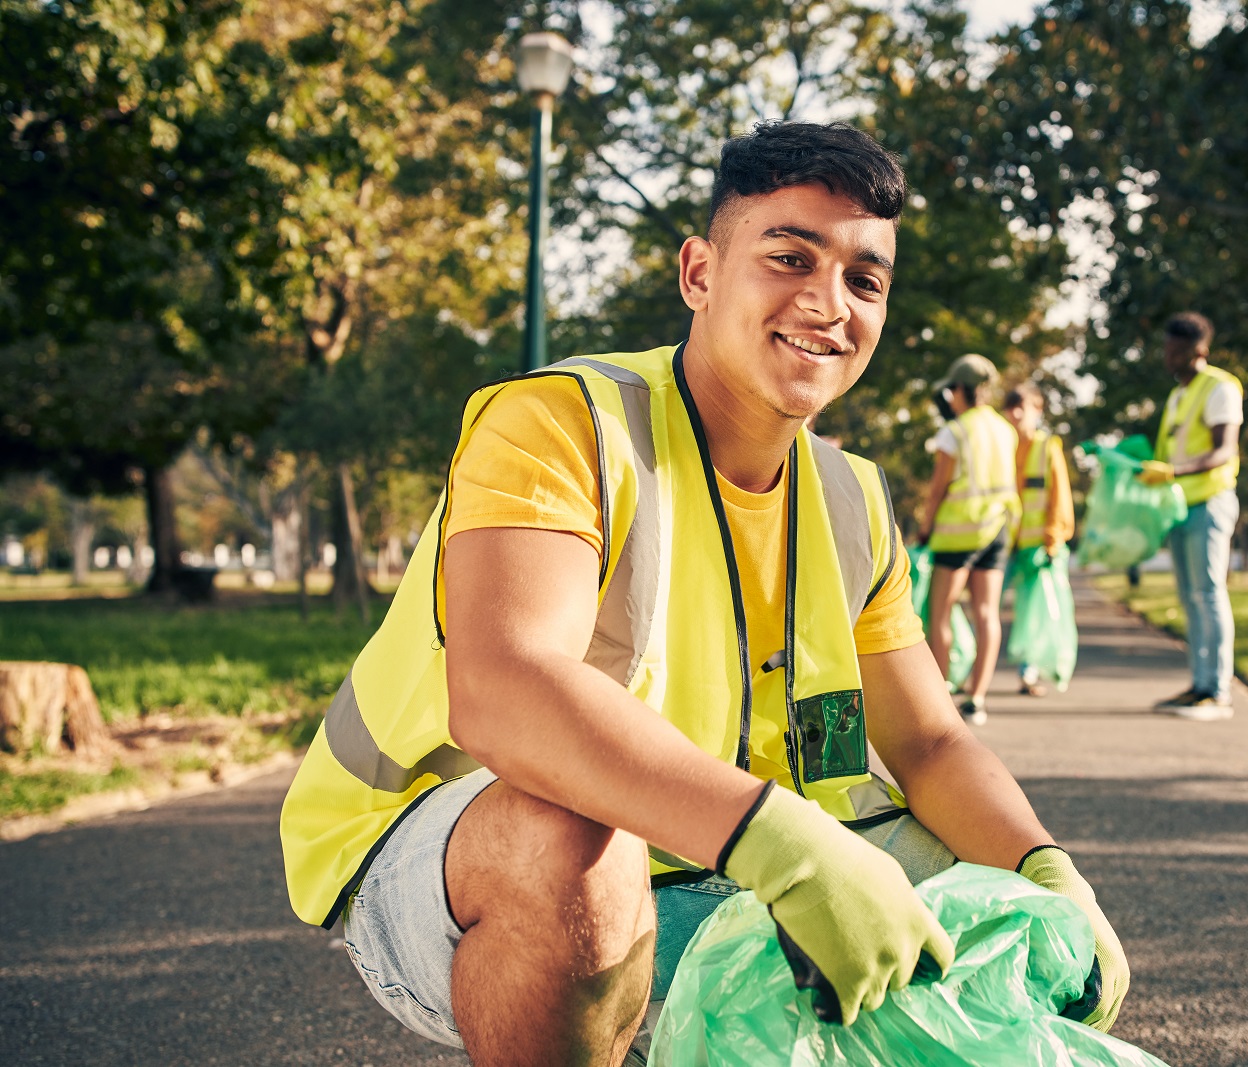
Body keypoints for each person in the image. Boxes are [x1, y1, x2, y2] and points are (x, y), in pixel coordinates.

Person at [278, 121, 1129, 1066]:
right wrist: (789, 847)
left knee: (1008, 940)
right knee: (572, 841)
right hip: (449, 856)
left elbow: (929, 742)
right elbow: (506, 686)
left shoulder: (852, 497)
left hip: (718, 860)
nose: (827, 302)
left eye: (864, 278)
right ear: (699, 274)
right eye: (789, 256)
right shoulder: (565, 424)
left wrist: (1045, 873)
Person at [1138, 312, 1243, 721]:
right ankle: (1200, 684)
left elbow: (1224, 450)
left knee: (1210, 593)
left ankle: (1218, 692)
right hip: (1180, 507)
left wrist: (1174, 472)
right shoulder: (1179, 395)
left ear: (1199, 351)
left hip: (1210, 502)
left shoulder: (1220, 387)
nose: (1168, 357)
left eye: (1176, 351)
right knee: (1190, 598)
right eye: (1166, 349)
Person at [916, 354, 1020, 726]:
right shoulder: (1004, 429)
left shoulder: (954, 432)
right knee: (987, 613)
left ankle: (941, 695)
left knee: (939, 612)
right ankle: (976, 697)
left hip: (958, 533)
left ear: (959, 390)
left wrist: (925, 528)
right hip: (998, 530)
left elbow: (938, 489)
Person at [1002, 382, 1075, 697]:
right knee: (989, 609)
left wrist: (1052, 541)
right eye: (1011, 407)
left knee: (1037, 614)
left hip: (1041, 549)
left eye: (1024, 407)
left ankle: (1029, 674)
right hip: (1008, 546)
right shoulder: (1003, 449)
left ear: (1038, 411)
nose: (1016, 414)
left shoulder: (1048, 447)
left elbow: (1060, 498)